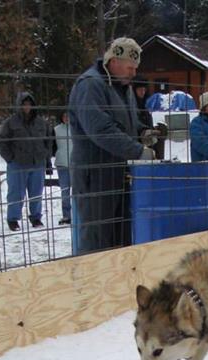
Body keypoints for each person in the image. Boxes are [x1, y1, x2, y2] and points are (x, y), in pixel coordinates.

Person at [68, 37, 156, 255]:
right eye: (130, 67)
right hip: (95, 173)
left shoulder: (123, 87)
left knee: (121, 234)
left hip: (119, 171)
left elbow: (127, 122)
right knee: (97, 237)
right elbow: (101, 130)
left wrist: (143, 131)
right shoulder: (90, 85)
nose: (134, 73)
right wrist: (138, 151)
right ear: (114, 61)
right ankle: (91, 282)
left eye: (136, 68)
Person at [0, 91, 51, 231]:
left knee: (37, 192)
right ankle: (13, 219)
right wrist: (10, 159)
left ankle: (36, 218)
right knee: (16, 193)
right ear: (19, 106)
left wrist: (46, 155)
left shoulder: (41, 122)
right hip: (17, 164)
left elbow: (49, 141)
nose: (27, 107)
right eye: (24, 104)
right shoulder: (10, 122)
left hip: (37, 163)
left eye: (30, 104)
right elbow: (2, 142)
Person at [53, 111, 73, 225]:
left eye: (68, 115)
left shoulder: (77, 128)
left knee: (76, 191)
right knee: (65, 192)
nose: (66, 118)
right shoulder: (56, 130)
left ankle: (77, 214)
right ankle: (66, 215)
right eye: (64, 116)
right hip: (62, 164)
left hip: (75, 164)